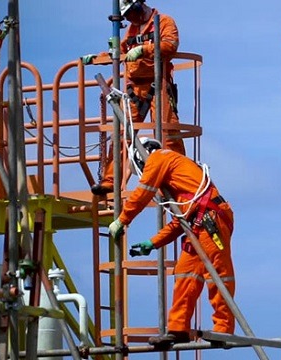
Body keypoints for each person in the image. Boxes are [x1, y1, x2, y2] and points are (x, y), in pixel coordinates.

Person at [108, 137, 235, 346]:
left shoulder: (159, 158)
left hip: (211, 220)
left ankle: (224, 328)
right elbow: (180, 220)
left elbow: (142, 193)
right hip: (198, 222)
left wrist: (123, 220)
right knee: (185, 274)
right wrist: (153, 243)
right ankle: (178, 329)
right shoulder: (175, 174)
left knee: (218, 275)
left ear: (141, 159)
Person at [92, 0, 185, 195]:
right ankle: (111, 180)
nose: (131, 19)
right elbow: (122, 51)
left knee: (168, 131)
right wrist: (98, 58)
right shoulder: (132, 30)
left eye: (132, 13)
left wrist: (144, 49)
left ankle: (178, 178)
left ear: (140, 6)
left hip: (158, 84)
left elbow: (170, 45)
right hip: (135, 88)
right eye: (127, 16)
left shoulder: (164, 21)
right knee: (122, 133)